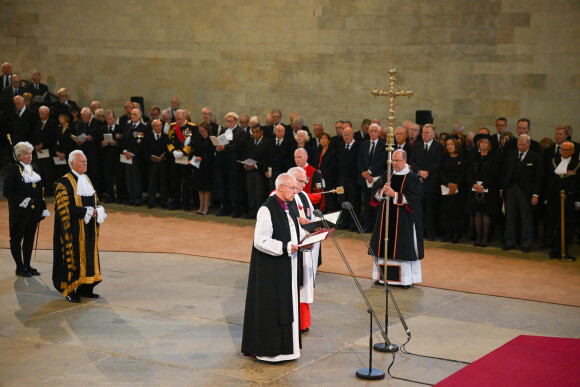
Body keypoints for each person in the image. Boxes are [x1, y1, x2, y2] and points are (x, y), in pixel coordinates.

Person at [241, 173, 310, 362]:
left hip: (288, 265)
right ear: (281, 187)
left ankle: (288, 349)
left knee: (287, 305)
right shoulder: (267, 209)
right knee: (274, 308)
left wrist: (306, 239)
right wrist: (286, 247)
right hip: (272, 268)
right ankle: (271, 352)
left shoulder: (289, 206)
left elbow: (291, 230)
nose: (296, 192)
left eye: (296, 188)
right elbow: (260, 240)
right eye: (292, 188)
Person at [52, 150, 106, 303]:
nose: (85, 163)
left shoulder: (86, 179)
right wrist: (86, 212)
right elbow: (63, 209)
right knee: (73, 260)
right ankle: (70, 290)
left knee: (89, 258)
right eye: (82, 161)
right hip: (73, 230)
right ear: (72, 164)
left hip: (88, 228)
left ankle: (86, 288)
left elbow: (95, 199)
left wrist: (99, 209)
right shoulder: (64, 183)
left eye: (86, 161)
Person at [369, 149, 423, 288]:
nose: (394, 163)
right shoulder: (387, 175)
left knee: (402, 247)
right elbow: (375, 191)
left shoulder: (413, 178)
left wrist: (394, 194)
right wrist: (383, 192)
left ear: (405, 161)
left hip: (404, 220)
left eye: (397, 160)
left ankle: (404, 280)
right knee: (383, 245)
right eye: (393, 160)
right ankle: (382, 278)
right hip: (385, 218)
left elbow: (415, 198)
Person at [4, 141, 49, 277]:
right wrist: (23, 200)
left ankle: (28, 265)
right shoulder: (13, 170)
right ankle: (19, 266)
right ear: (19, 156)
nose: (30, 156)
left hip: (34, 211)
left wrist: (43, 208)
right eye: (26, 154)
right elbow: (7, 191)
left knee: (29, 238)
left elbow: (40, 190)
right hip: (20, 211)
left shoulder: (34, 167)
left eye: (30, 153)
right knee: (17, 238)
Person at [287, 166, 321, 333]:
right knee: (297, 286)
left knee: (305, 286)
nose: (303, 184)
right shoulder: (283, 197)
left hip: (307, 248)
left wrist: (319, 224)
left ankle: (304, 322)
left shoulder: (304, 196)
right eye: (299, 181)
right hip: (295, 248)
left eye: (304, 181)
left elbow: (310, 217)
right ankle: (297, 321)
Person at [501, 134, 543, 253]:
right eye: (519, 144)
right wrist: (502, 189)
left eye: (523, 145)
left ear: (528, 144)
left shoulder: (535, 157)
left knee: (526, 218)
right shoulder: (512, 154)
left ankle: (526, 243)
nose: (521, 147)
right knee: (510, 217)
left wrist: (536, 194)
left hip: (526, 192)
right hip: (510, 190)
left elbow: (538, 177)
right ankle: (509, 241)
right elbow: (505, 172)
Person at [543, 141, 579, 259]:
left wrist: (578, 201)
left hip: (569, 199)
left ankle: (564, 250)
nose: (563, 152)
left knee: (567, 225)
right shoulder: (554, 161)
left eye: (566, 150)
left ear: (572, 151)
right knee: (553, 223)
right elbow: (548, 180)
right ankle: (554, 249)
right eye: (562, 150)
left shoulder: (577, 164)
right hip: (554, 198)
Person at [465, 134, 501, 247]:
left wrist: (484, 185)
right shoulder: (474, 156)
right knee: (477, 214)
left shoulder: (493, 157)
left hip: (488, 189)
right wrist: (474, 185)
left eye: (486, 143)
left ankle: (485, 239)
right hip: (475, 188)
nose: (483, 145)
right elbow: (468, 172)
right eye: (481, 143)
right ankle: (478, 238)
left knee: (486, 214)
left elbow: (494, 173)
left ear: (489, 145)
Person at [410, 123, 443, 240]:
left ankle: (430, 233)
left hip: (431, 182)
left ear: (433, 134)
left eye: (427, 133)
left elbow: (437, 163)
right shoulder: (417, 145)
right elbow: (412, 161)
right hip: (418, 181)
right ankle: (420, 232)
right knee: (419, 209)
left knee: (430, 209)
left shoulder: (438, 147)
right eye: (423, 132)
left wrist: (425, 174)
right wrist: (419, 172)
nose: (425, 135)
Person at [357, 123, 387, 232]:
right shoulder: (363, 144)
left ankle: (376, 227)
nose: (373, 133)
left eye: (375, 131)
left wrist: (370, 172)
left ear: (379, 133)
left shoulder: (384, 145)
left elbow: (382, 161)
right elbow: (359, 160)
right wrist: (364, 173)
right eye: (371, 131)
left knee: (376, 203)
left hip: (377, 179)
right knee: (366, 203)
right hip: (365, 179)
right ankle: (366, 226)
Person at [167, 109, 198, 211]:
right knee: (175, 182)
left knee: (186, 183)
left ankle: (186, 204)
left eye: (180, 119)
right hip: (174, 159)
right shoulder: (172, 126)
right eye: (176, 119)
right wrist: (174, 152)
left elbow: (193, 143)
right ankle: (176, 203)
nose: (178, 121)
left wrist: (183, 152)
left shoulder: (192, 127)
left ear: (185, 117)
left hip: (185, 158)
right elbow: (168, 141)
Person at [440, 137, 466, 243]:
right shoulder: (444, 158)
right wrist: (448, 184)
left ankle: (457, 233)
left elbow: (463, 173)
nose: (450, 146)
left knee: (457, 212)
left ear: (456, 145)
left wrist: (456, 185)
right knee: (447, 212)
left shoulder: (462, 158)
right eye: (448, 145)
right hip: (446, 188)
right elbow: (441, 172)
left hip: (459, 189)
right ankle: (448, 233)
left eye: (451, 144)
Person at [243, 119, 269, 219]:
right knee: (251, 192)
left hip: (260, 172)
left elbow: (266, 158)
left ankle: (260, 213)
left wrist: (256, 165)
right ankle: (252, 211)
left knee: (259, 193)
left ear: (261, 132)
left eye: (257, 132)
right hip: (250, 171)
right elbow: (246, 155)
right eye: (253, 132)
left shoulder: (266, 142)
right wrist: (245, 164)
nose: (255, 134)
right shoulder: (249, 142)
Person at [336, 126, 361, 231]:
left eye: (348, 135)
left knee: (353, 203)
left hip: (353, 181)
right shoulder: (341, 146)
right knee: (343, 202)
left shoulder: (358, 146)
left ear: (353, 135)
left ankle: (353, 224)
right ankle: (344, 223)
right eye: (344, 135)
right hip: (342, 180)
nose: (346, 137)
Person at [122, 108, 146, 206]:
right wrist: (125, 151)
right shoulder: (128, 126)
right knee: (128, 177)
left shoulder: (143, 128)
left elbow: (141, 144)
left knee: (136, 178)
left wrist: (132, 153)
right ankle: (131, 198)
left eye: (135, 114)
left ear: (140, 116)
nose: (132, 116)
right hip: (126, 156)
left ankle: (137, 199)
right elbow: (123, 140)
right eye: (132, 114)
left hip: (137, 157)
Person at [143, 119, 169, 208]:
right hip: (152, 164)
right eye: (157, 126)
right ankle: (151, 201)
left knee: (163, 183)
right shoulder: (148, 137)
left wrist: (164, 157)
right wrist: (151, 159)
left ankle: (163, 202)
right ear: (153, 127)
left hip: (163, 164)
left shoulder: (165, 137)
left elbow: (168, 151)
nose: (159, 127)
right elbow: (145, 151)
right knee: (152, 183)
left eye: (160, 125)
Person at [192, 122, 215, 214]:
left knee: (207, 188)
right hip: (199, 166)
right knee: (200, 188)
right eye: (200, 131)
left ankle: (206, 207)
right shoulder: (199, 139)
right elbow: (195, 150)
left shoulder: (211, 140)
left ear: (207, 130)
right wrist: (194, 158)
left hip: (208, 167)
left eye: (203, 131)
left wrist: (202, 158)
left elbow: (212, 154)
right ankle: (200, 206)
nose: (201, 133)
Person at [313, 132, 336, 211]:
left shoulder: (332, 151)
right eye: (321, 139)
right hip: (318, 177)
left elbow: (332, 165)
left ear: (329, 140)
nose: (323, 140)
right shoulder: (317, 151)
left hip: (328, 178)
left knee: (328, 197)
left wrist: (323, 174)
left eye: (325, 138)